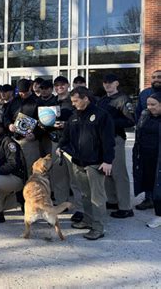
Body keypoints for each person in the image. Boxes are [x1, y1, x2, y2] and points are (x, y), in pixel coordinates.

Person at [58, 86, 115, 240]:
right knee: (85, 195)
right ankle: (88, 220)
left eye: (76, 101)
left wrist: (108, 161)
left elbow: (109, 141)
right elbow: (66, 135)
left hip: (96, 163)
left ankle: (98, 228)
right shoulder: (74, 116)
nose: (73, 104)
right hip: (78, 162)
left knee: (97, 197)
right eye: (72, 101)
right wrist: (61, 146)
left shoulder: (101, 115)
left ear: (85, 98)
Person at [98, 73, 135, 218]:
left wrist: (111, 123)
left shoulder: (123, 99)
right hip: (103, 141)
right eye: (105, 82)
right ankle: (113, 200)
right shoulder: (102, 100)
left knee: (119, 173)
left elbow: (131, 121)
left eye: (111, 82)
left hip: (116, 139)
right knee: (107, 173)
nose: (108, 85)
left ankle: (125, 207)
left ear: (116, 83)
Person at [49, 76, 84, 223]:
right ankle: (61, 204)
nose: (59, 87)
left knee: (75, 178)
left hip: (72, 143)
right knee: (58, 175)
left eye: (62, 85)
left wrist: (66, 124)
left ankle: (80, 209)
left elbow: (81, 119)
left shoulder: (74, 100)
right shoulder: (52, 102)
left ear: (68, 85)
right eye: (56, 85)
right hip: (55, 141)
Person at [133, 92, 161, 228]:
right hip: (147, 157)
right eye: (148, 104)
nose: (150, 107)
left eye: (153, 104)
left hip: (159, 156)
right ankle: (159, 214)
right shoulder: (145, 115)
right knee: (152, 185)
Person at [4, 79, 41, 177]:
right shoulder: (14, 101)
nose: (22, 94)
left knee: (31, 167)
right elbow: (6, 116)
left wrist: (35, 134)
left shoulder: (37, 102)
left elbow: (42, 123)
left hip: (29, 140)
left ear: (30, 88)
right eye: (20, 92)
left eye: (25, 92)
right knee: (16, 166)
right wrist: (9, 125)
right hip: (14, 138)